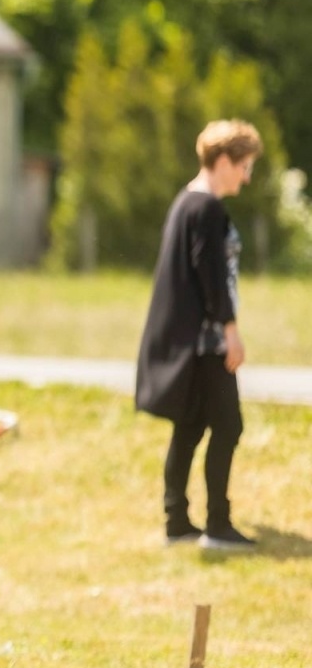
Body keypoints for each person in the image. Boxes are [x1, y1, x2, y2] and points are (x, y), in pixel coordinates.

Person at [136, 119, 263, 550]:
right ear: (223, 161)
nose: (247, 178)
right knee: (228, 426)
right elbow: (210, 278)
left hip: (185, 342)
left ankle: (176, 522)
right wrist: (231, 331)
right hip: (207, 342)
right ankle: (218, 526)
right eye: (244, 167)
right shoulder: (207, 208)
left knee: (189, 427)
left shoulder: (184, 202)